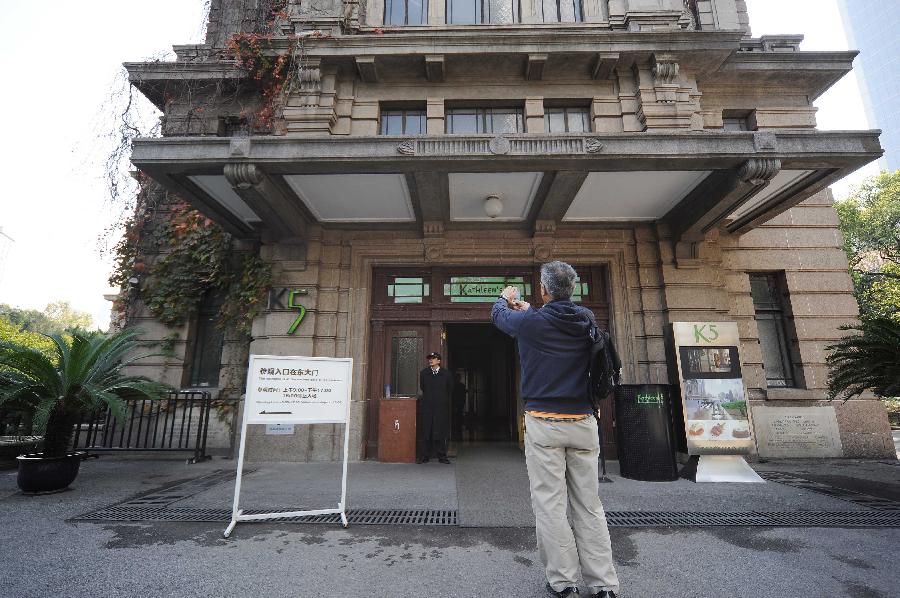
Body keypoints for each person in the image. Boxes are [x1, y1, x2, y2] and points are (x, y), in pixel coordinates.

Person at [491, 261, 620, 598]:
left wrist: (504, 297)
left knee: (550, 504)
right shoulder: (587, 320)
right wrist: (532, 309)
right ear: (571, 290)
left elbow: (499, 317)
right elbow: (555, 319)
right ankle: (604, 584)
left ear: (544, 290)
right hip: (582, 422)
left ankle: (563, 582)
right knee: (589, 504)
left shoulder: (530, 323)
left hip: (544, 422)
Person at [418, 351, 453, 464]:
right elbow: (423, 387)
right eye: (430, 358)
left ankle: (442, 456)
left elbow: (450, 389)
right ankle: (424, 456)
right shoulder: (424, 373)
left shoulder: (446, 374)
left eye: (433, 358)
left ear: (439, 360)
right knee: (426, 432)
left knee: (440, 432)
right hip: (427, 407)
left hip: (440, 407)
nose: (431, 360)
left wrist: (442, 400)